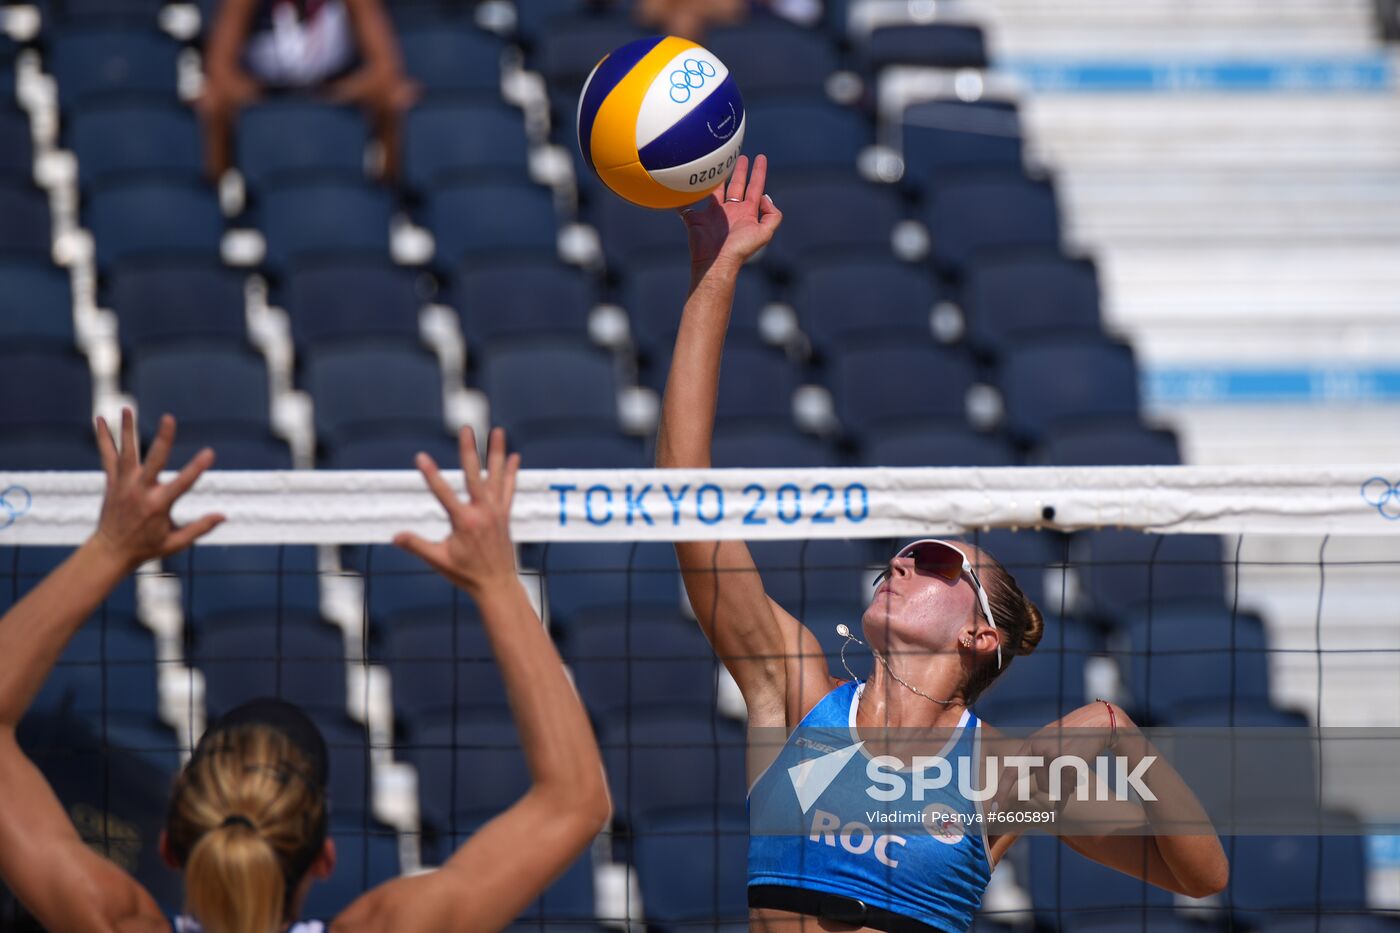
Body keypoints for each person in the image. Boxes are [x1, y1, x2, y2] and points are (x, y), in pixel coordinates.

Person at [655, 154, 1230, 933]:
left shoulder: (1004, 775)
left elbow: (1200, 873)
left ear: (977, 631)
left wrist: (1124, 738)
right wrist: (715, 273)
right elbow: (684, 493)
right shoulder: (794, 693)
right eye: (904, 550)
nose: (901, 558)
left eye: (935, 561)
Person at [0, 411, 610, 931]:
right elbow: (574, 801)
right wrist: (498, 580)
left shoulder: (109, 920)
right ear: (325, 859)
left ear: (168, 847)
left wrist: (110, 549)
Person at [198, 0, 418, 179]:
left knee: (399, 96)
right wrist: (270, 96)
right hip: (266, 98)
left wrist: (330, 93)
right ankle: (218, 201)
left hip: (335, 95)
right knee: (210, 99)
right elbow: (219, 71)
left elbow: (385, 69)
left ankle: (387, 199)